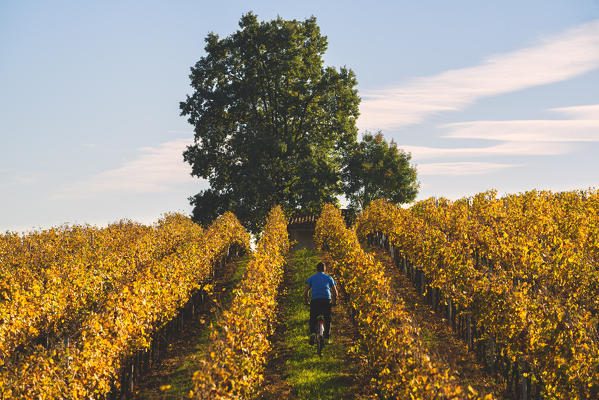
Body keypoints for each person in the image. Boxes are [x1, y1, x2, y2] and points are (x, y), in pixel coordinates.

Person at [304, 261, 338, 345]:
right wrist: (334, 302)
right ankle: (326, 338)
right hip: (326, 300)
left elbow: (306, 292)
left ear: (316, 269)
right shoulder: (329, 278)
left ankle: (312, 333)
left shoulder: (311, 278)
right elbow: (335, 292)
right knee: (327, 319)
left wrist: (306, 301)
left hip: (315, 300)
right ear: (325, 269)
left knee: (313, 318)